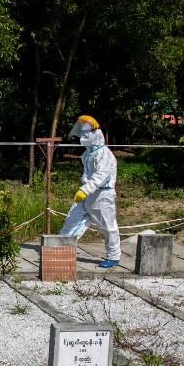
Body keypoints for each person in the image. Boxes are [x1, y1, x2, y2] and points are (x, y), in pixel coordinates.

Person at [59, 114, 120, 268]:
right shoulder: (88, 153)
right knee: (71, 221)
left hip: (102, 195)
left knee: (108, 227)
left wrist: (85, 189)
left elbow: (101, 176)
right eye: (81, 134)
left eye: (85, 134)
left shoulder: (104, 154)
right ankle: (61, 250)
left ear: (94, 134)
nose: (82, 137)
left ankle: (113, 257)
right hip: (87, 195)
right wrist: (85, 190)